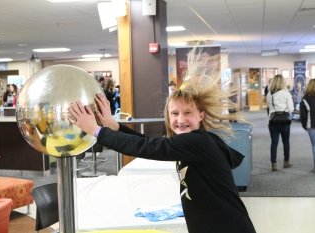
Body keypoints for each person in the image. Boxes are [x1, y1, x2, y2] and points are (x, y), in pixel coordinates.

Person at [68, 49, 256, 233]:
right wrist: (114, 126)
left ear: (201, 115)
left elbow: (146, 147)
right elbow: (147, 142)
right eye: (174, 113)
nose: (180, 120)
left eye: (187, 113)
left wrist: (96, 130)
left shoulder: (199, 142)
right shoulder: (193, 143)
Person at [266, 74, 294, 171]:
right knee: (286, 142)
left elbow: (269, 108)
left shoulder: (269, 94)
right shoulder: (286, 94)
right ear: (283, 82)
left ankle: (274, 164)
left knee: (274, 143)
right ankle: (286, 162)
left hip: (273, 121)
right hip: (285, 121)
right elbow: (291, 109)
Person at [300, 79, 315, 171]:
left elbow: (303, 115)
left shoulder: (305, 98)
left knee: (314, 145)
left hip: (311, 125)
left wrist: (304, 126)